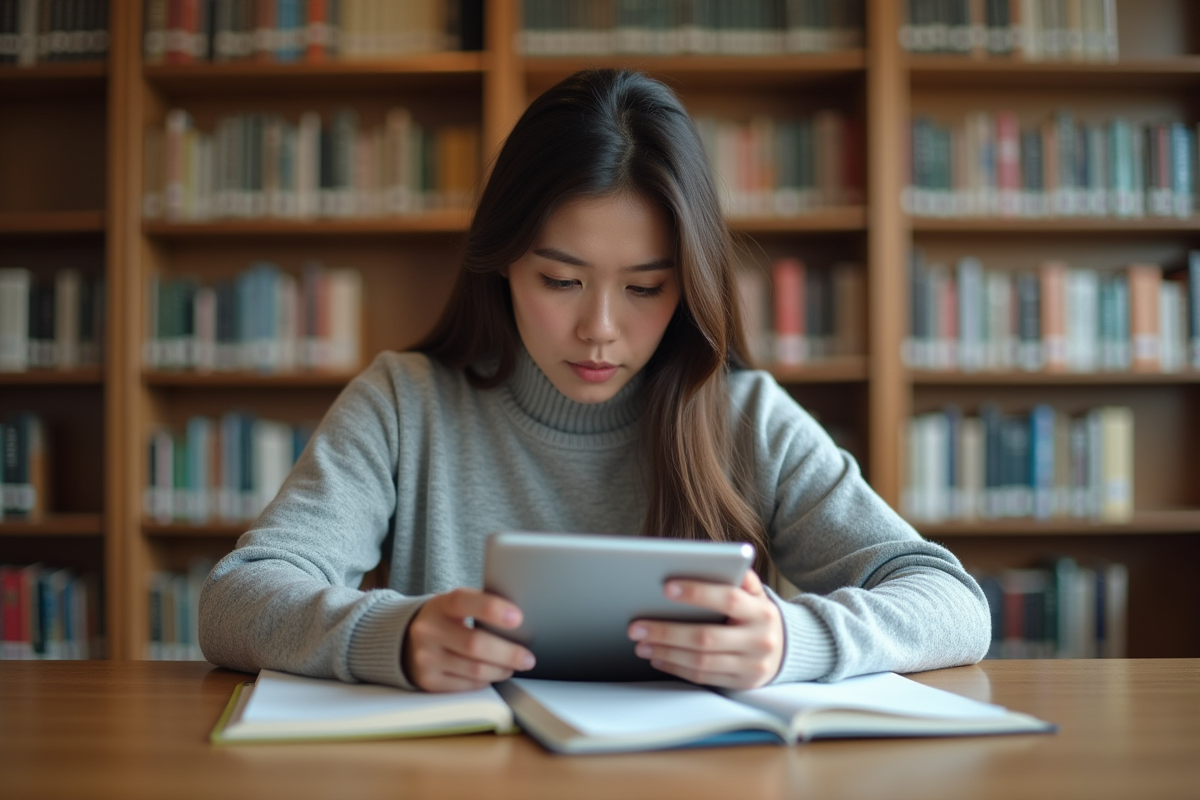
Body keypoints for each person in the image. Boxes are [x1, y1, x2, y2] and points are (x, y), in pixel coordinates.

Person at [199, 69, 990, 693]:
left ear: (690, 285)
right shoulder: (405, 404)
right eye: (560, 280)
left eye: (645, 288)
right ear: (503, 260)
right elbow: (237, 600)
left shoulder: (744, 415)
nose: (600, 329)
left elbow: (952, 604)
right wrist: (392, 637)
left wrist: (794, 640)